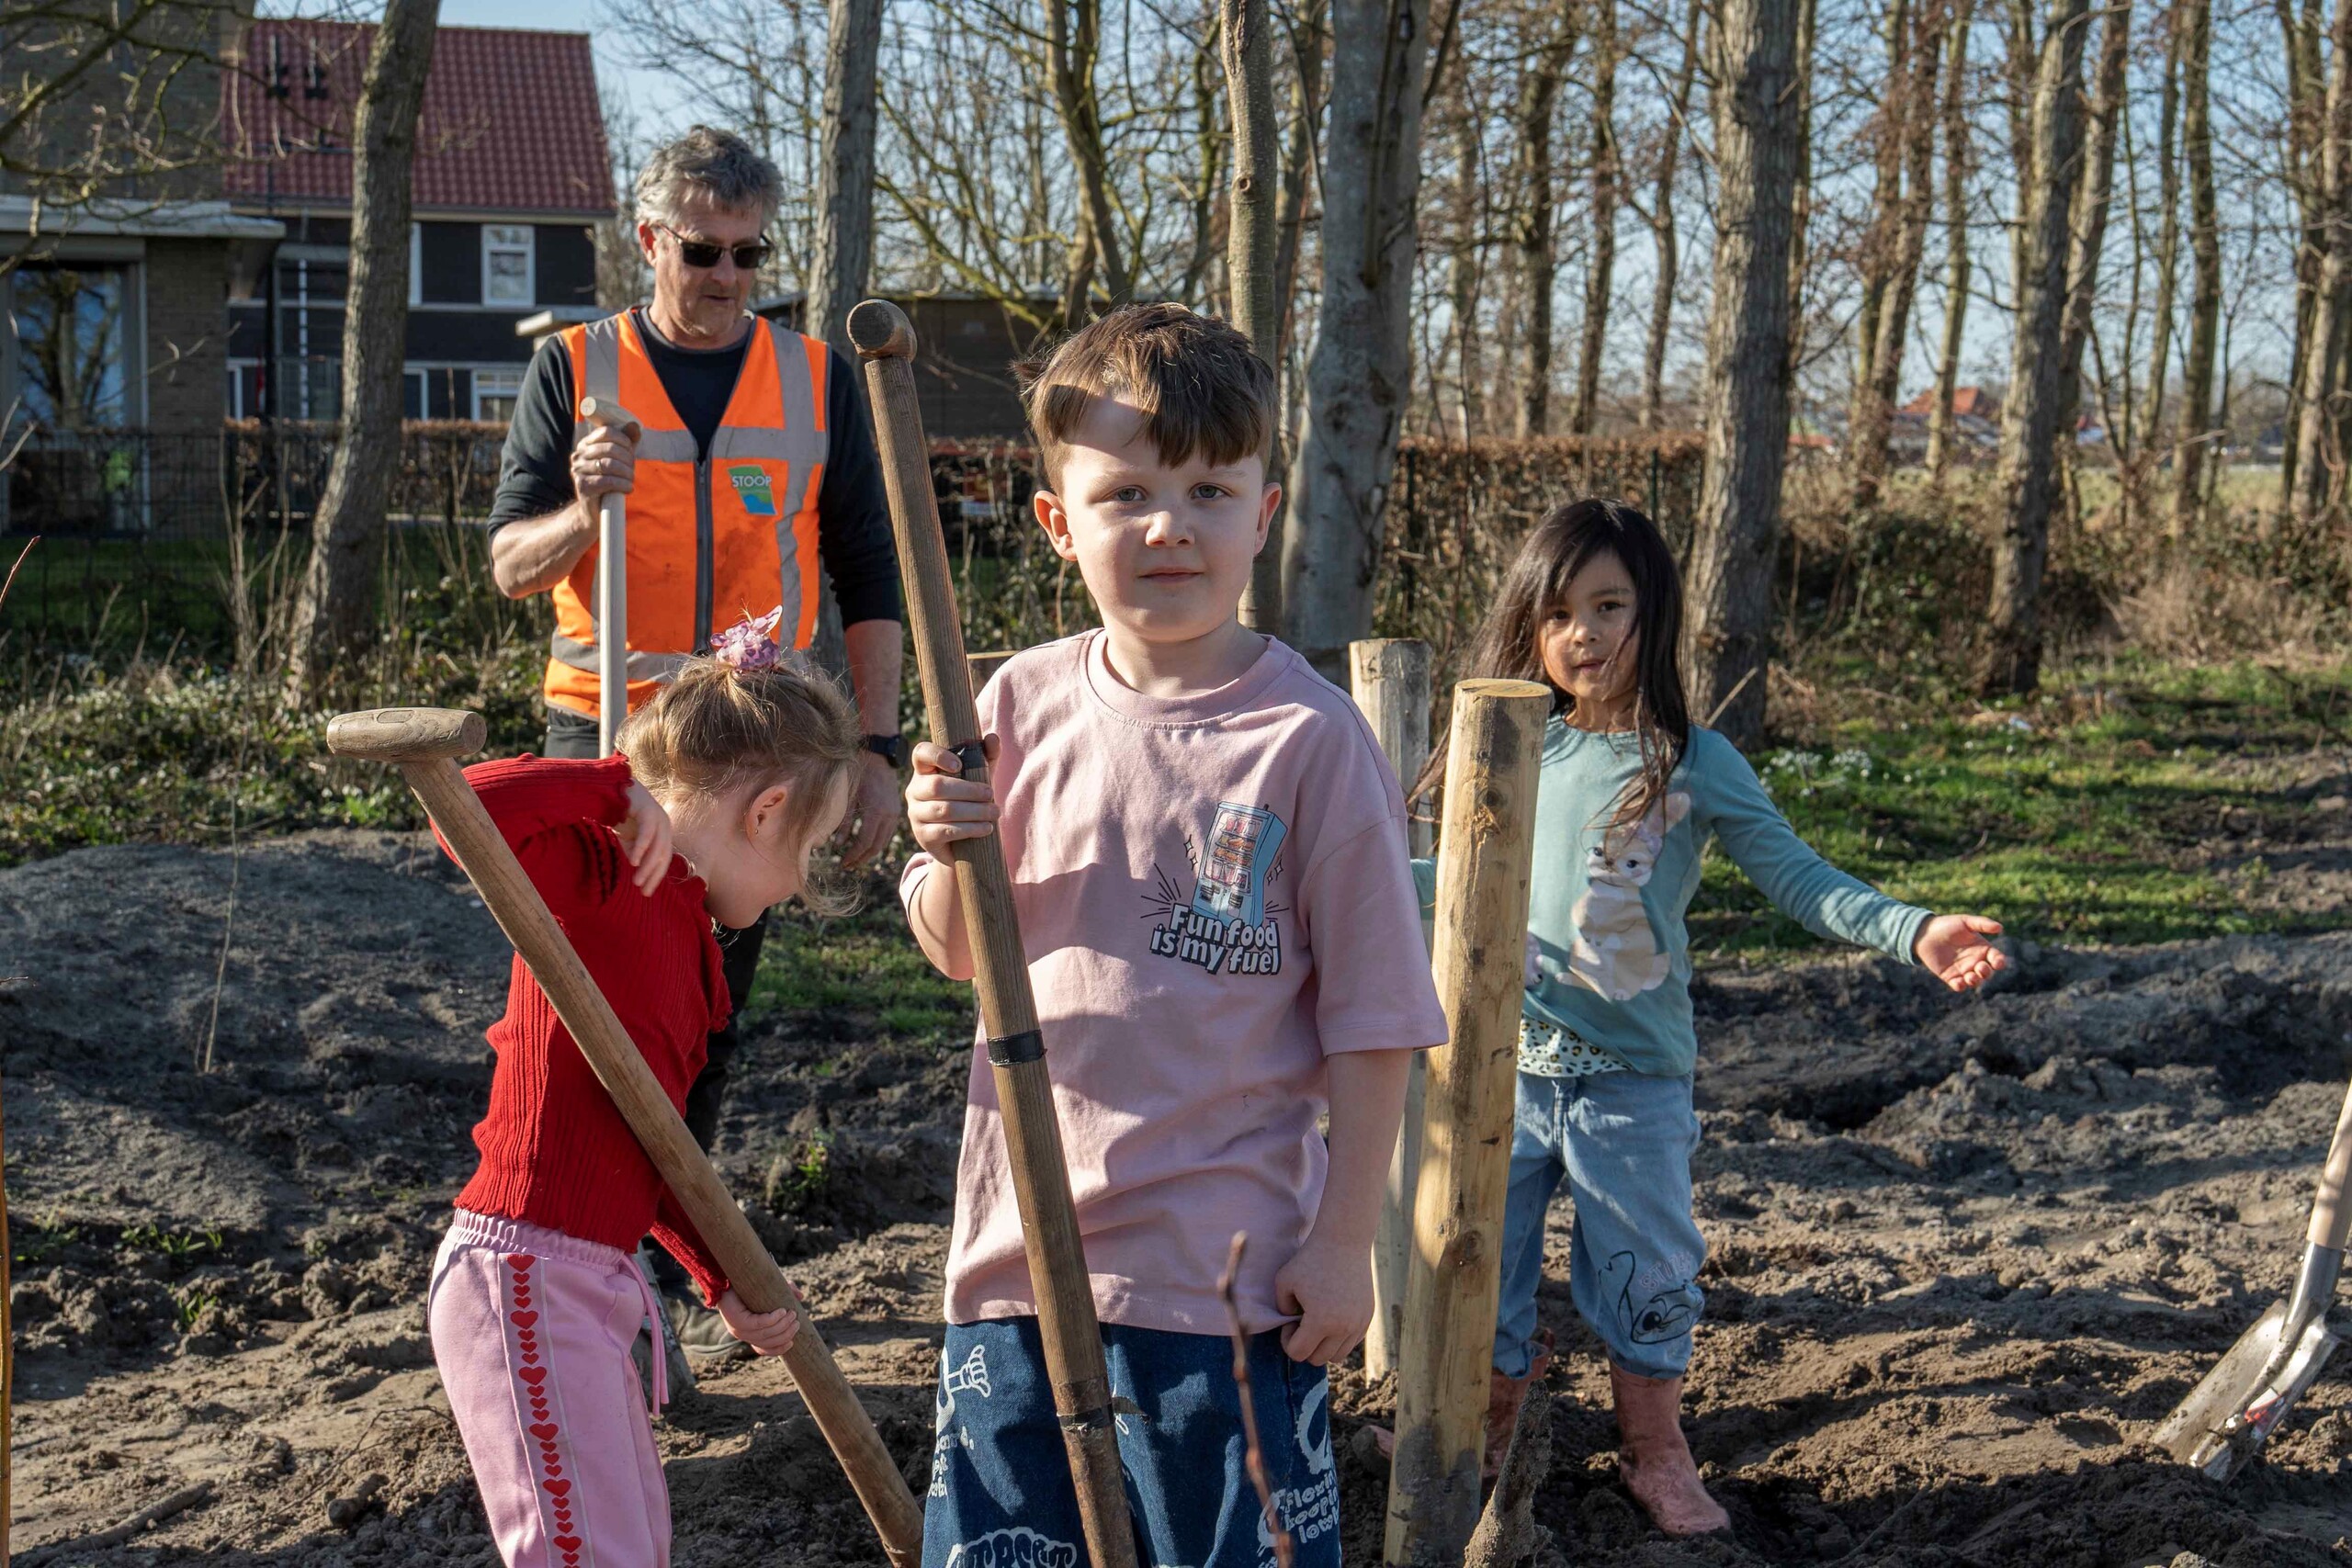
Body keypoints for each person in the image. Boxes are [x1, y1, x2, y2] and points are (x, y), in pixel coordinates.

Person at [899, 303, 1446, 1565]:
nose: (1169, 525)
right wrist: (944, 850)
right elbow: (955, 947)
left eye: (1209, 488)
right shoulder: (1018, 704)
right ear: (1058, 522)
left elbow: (1378, 1019)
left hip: (1226, 1280)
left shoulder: (1309, 744)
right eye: (1128, 491)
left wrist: (1346, 1239)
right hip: (1018, 1259)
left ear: (1262, 513)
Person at [1408, 499, 2007, 1537]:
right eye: (1558, 614)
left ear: (1657, 615)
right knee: (1477, 1256)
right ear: (1527, 625)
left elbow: (1798, 877)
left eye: (1608, 607)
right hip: (1498, 1066)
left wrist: (1910, 930)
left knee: (1646, 1269)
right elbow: (1451, 877)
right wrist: (1329, 871)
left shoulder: (1688, 759)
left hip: (1629, 1080)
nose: (1582, 635)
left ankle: (1655, 1451)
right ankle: (1488, 1431)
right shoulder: (1508, 746)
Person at [484, 125, 905, 1359]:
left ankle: (654, 1274)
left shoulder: (815, 376)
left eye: (748, 253)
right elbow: (511, 563)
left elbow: (870, 567)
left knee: (698, 1016)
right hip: (609, 735)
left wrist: (876, 742)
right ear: (653, 238)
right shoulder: (577, 369)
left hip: (753, 743)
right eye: (703, 249)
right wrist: (583, 501)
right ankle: (558, 1244)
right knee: (581, 1013)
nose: (726, 274)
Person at [426, 622, 863, 1567]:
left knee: (631, 1542)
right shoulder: (608, 873)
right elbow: (460, 810)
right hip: (522, 1273)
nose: (799, 881)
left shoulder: (698, 956)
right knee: (581, 1551)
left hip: (588, 1279)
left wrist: (722, 1281)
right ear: (766, 811)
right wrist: (609, 786)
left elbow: (656, 1145)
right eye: (810, 848)